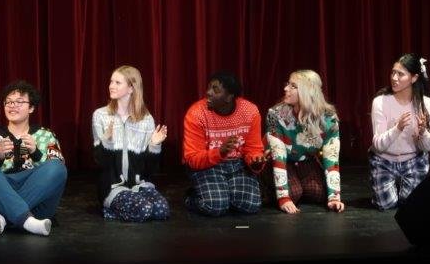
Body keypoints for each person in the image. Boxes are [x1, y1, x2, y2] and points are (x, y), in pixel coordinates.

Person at [0, 80, 67, 236]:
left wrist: (36, 153)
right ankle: (28, 221)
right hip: (0, 195)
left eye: (19, 102)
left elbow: (54, 175)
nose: (12, 105)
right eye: (8, 102)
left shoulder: (46, 135)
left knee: (57, 168)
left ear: (31, 108)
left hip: (37, 202)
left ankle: (5, 217)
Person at [182, 71, 269, 216]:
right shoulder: (196, 113)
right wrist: (220, 153)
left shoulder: (250, 111)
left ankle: (224, 191)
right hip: (207, 166)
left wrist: (256, 161)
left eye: (215, 89)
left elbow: (253, 149)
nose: (208, 92)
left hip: (237, 164)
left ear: (229, 97)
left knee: (250, 205)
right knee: (215, 206)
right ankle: (192, 197)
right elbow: (192, 158)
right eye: (209, 87)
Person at [92, 66, 169, 222]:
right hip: (112, 187)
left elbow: (151, 169)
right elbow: (100, 163)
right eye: (111, 81)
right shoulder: (100, 115)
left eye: (117, 82)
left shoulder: (146, 119)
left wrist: (154, 146)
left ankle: (126, 205)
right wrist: (106, 141)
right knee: (144, 210)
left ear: (131, 88)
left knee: (161, 211)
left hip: (139, 185)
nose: (111, 86)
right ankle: (109, 210)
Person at [265, 70, 344, 214]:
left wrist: (334, 197)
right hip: (280, 159)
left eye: (293, 86)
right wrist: (283, 197)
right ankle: (266, 184)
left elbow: (331, 158)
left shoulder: (329, 118)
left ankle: (297, 181)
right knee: (293, 193)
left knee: (319, 193)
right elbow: (278, 155)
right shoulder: (276, 114)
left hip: (304, 159)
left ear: (308, 91)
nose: (285, 89)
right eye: (287, 84)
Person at [370, 53, 430, 210]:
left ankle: (405, 186)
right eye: (393, 72)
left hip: (413, 160)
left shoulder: (427, 104)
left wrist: (423, 132)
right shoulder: (380, 102)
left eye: (400, 74)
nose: (394, 78)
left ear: (414, 78)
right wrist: (397, 128)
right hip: (384, 160)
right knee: (386, 205)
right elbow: (378, 145)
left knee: (411, 205)